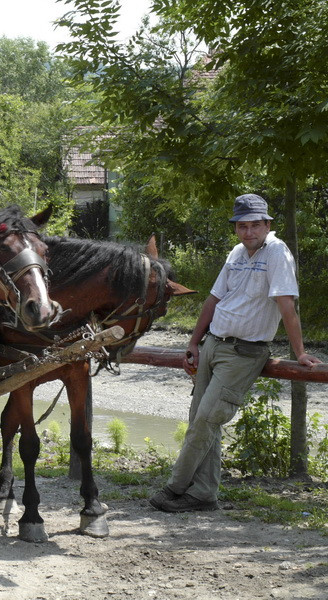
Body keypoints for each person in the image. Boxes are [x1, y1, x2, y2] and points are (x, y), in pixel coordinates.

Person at [150, 193, 321, 513]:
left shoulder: (277, 253)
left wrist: (299, 352)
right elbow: (213, 301)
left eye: (255, 225)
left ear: (268, 224)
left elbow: (287, 305)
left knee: (206, 420)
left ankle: (174, 487)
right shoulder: (237, 253)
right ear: (236, 229)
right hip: (214, 343)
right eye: (242, 226)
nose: (248, 232)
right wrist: (193, 342)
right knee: (200, 420)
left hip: (245, 351)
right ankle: (202, 494)